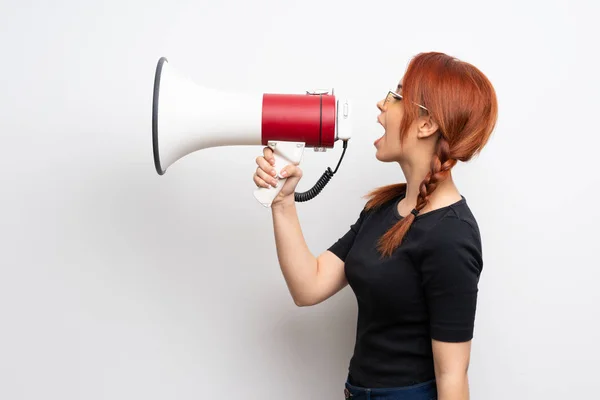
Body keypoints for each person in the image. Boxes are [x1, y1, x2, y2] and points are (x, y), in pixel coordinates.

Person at [253, 52, 498, 400]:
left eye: (397, 96)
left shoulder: (452, 236)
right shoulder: (383, 208)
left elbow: (452, 377)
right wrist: (282, 201)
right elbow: (308, 286)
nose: (382, 105)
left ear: (427, 124)